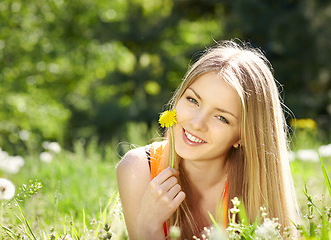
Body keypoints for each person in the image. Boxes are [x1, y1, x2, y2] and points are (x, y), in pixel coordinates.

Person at [117, 40, 299, 240]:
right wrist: (148, 228)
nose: (197, 123)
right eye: (192, 100)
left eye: (222, 118)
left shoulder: (257, 187)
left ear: (244, 135)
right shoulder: (138, 169)